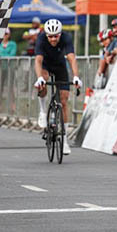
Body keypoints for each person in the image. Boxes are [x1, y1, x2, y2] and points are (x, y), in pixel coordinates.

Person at [33, 19, 82, 156]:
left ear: (60, 34)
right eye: (51, 36)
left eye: (56, 36)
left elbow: (71, 58)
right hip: (46, 66)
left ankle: (64, 140)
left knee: (64, 100)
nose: (53, 39)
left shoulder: (66, 37)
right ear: (46, 34)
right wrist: (39, 78)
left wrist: (76, 76)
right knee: (43, 82)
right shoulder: (41, 38)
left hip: (60, 66)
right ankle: (43, 111)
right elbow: (38, 60)